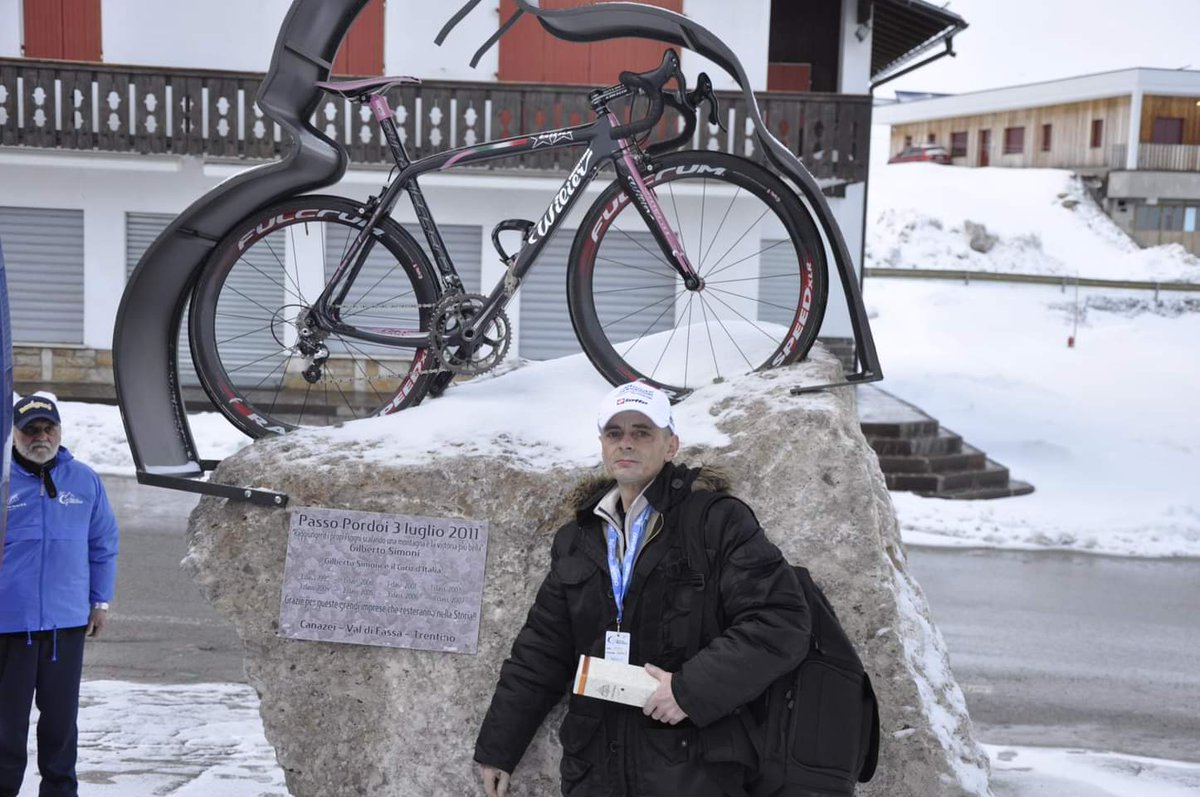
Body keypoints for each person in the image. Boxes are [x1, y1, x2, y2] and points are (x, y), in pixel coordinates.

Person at [474, 381, 810, 796]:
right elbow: (542, 650)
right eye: (615, 433)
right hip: (595, 767)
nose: (626, 443)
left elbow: (779, 621)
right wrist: (499, 749)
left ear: (671, 445)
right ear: (602, 445)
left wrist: (688, 691)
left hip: (692, 767)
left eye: (642, 432)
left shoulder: (716, 522)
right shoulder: (578, 538)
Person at [0, 395, 119, 797]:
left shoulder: (84, 480)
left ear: (60, 431)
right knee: (5, 726)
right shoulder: (2, 481)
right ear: (14, 434)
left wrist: (99, 601)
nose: (40, 437)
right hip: (9, 625)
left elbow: (103, 543)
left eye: (48, 428)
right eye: (31, 430)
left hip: (65, 625)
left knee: (61, 725)